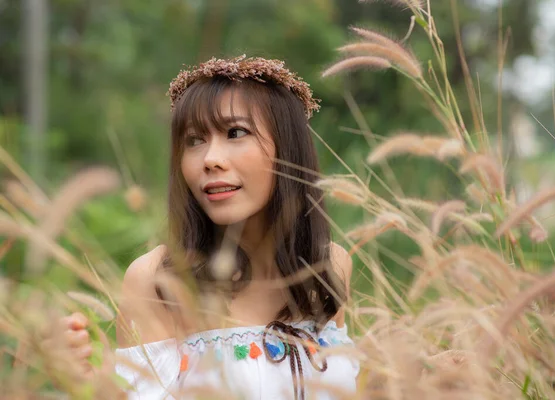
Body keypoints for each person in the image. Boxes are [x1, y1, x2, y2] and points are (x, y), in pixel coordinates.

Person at [60, 55, 358, 400]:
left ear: (288, 149)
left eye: (235, 132)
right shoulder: (157, 282)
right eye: (194, 140)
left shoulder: (328, 267)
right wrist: (89, 380)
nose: (209, 159)